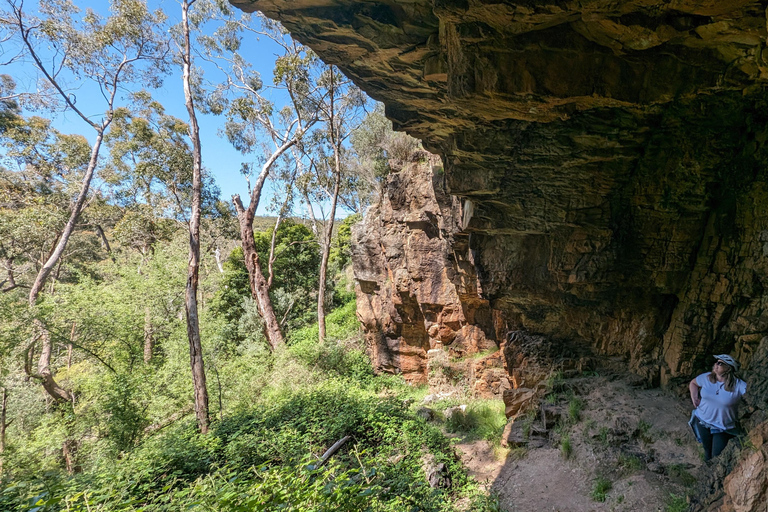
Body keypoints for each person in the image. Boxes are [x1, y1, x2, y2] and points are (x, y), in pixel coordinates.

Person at [688, 354, 747, 461]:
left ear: (729, 368)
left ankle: (713, 473)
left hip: (722, 427)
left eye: (720, 363)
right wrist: (694, 397)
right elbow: (693, 383)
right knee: (707, 450)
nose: (716, 365)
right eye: (716, 362)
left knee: (717, 456)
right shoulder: (707, 378)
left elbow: (753, 394)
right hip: (702, 420)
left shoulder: (738, 385)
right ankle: (706, 472)